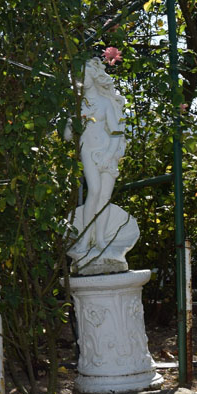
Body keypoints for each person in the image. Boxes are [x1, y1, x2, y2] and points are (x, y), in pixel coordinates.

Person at [76, 57, 127, 250]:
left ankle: (100, 239)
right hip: (88, 151)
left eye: (85, 75)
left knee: (104, 196)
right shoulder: (78, 105)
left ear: (93, 76)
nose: (82, 79)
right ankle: (85, 238)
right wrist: (71, 124)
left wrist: (108, 155)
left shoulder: (105, 103)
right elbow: (68, 135)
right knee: (94, 191)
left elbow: (116, 132)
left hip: (107, 151)